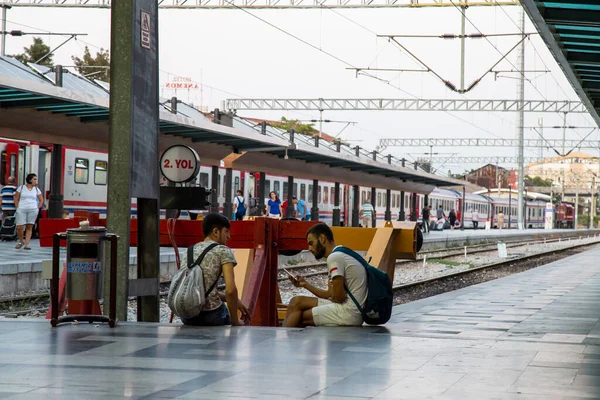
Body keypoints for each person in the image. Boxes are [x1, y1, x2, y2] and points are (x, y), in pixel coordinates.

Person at [282, 223, 367, 327]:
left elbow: (339, 297)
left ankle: (283, 341)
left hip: (349, 312)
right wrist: (305, 285)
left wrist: (335, 297)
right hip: (352, 310)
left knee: (298, 314)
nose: (309, 248)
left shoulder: (334, 258)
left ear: (322, 238)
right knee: (296, 301)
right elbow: (330, 294)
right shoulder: (340, 253)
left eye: (311, 243)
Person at [179, 213, 250, 326]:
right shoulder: (223, 250)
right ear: (216, 231)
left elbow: (202, 291)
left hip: (187, 316)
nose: (229, 236)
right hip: (211, 315)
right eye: (226, 231)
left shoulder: (189, 251)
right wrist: (235, 321)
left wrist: (236, 301)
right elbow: (230, 290)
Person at [14, 173, 43, 250]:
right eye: (34, 179)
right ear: (30, 180)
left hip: (33, 208)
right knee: (20, 226)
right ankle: (21, 241)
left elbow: (41, 199)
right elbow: (16, 198)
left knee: (29, 226)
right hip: (22, 208)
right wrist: (17, 207)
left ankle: (27, 244)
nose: (35, 181)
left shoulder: (37, 189)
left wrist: (38, 207)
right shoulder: (21, 188)